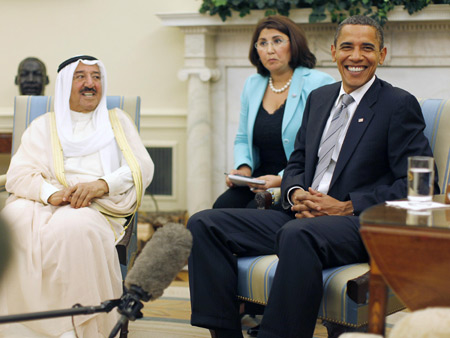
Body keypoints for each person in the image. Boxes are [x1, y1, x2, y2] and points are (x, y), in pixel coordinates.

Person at [187, 15, 440, 338]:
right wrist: (294, 194)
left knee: (298, 235)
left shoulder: (397, 104)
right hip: (299, 215)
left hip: (356, 224)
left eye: (367, 48)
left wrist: (346, 206)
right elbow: (298, 160)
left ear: (382, 54)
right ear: (334, 52)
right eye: (347, 47)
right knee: (203, 224)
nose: (356, 56)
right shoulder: (320, 99)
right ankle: (225, 334)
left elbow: (420, 185)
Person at [0, 55, 154, 337]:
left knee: (74, 227)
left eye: (96, 77)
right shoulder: (44, 125)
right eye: (80, 77)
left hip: (96, 205)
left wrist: (101, 184)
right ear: (63, 86)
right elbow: (19, 173)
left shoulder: (116, 121)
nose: (90, 84)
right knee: (13, 220)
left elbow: (141, 166)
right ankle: (17, 325)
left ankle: (73, 326)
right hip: (45, 200)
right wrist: (51, 194)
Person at [213, 15, 334, 209]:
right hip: (258, 179)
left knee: (254, 212)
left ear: (293, 44)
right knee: (221, 207)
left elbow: (320, 149)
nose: (269, 50)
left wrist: (280, 179)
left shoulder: (318, 83)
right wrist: (244, 170)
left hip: (296, 181)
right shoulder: (252, 84)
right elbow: (243, 137)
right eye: (262, 43)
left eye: (277, 41)